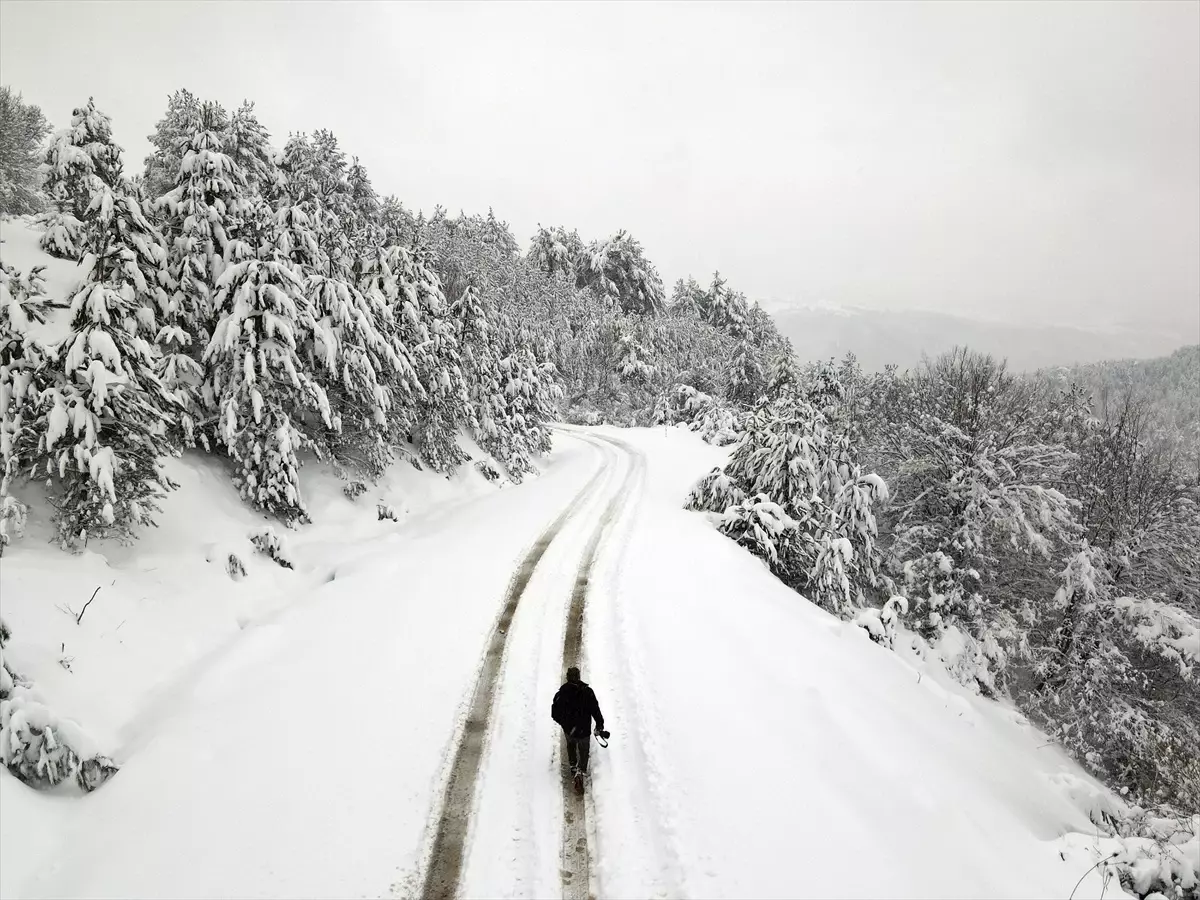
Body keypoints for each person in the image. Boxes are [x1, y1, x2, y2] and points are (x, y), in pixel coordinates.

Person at [551, 666, 605, 794]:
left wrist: (564, 723)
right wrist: (599, 724)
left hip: (570, 730)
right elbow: (595, 710)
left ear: (567, 678)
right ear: (579, 677)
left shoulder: (561, 694)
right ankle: (581, 771)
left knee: (571, 746)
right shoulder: (588, 692)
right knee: (584, 750)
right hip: (584, 730)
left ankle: (573, 767)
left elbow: (554, 714)